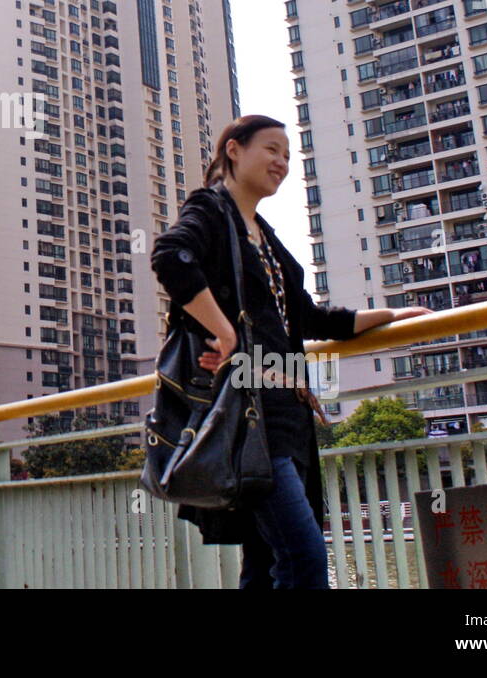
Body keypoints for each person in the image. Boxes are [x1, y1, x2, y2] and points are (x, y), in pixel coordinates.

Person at [150, 115, 432, 589]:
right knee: (302, 553)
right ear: (234, 151)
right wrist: (225, 332)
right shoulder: (212, 211)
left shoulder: (265, 236)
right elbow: (170, 256)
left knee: (263, 563)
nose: (282, 162)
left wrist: (390, 315)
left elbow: (311, 319)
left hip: (287, 418)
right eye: (272, 149)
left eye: (288, 155)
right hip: (247, 419)